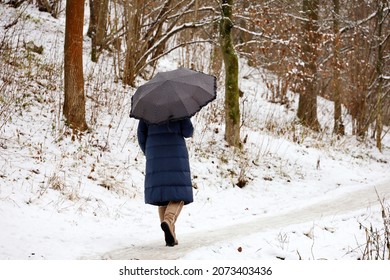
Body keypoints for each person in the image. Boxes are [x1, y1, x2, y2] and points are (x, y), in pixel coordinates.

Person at [137, 118, 194, 247]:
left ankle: (171, 236)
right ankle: (168, 221)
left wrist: (150, 152)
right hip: (176, 154)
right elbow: (188, 132)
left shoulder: (147, 110)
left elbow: (141, 135)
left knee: (162, 195)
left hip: (154, 155)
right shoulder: (179, 108)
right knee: (179, 193)